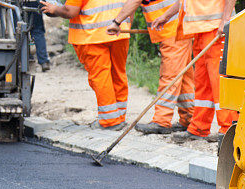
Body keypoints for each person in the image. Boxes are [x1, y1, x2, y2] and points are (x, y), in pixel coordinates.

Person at [151, 0, 237, 143]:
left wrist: (225, 20)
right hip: (200, 30)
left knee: (219, 82)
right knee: (203, 83)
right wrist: (166, 16)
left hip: (216, 29)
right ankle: (198, 127)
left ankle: (228, 130)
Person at [106, 0, 194, 135]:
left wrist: (116, 22)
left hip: (173, 30)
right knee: (183, 76)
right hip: (176, 28)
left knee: (169, 76)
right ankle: (189, 118)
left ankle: (161, 121)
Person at [40, 0, 130, 130]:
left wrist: (54, 9)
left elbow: (70, 11)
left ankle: (110, 120)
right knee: (118, 73)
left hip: (93, 34)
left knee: (101, 77)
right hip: (119, 30)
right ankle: (119, 117)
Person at [28, 7, 51, 71]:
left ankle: (26, 61)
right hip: (34, 4)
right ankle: (44, 62)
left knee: (20, 31)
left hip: (18, 3)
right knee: (37, 32)